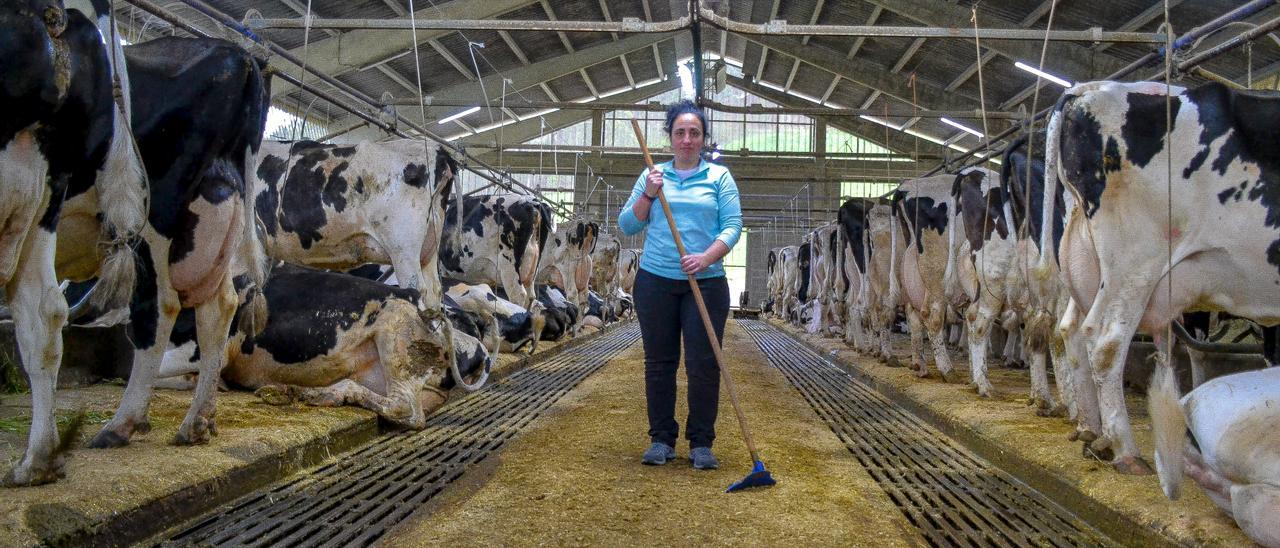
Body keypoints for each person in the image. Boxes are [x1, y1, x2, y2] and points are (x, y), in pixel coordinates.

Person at [617, 100, 742, 470]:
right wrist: (649, 194)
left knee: (704, 364)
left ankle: (701, 442)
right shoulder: (652, 175)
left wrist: (706, 257)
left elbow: (733, 227)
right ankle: (661, 439)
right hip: (656, 282)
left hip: (705, 283)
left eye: (695, 133)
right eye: (680, 132)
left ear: (703, 138)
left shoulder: (719, 177)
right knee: (659, 362)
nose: (687, 139)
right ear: (670, 137)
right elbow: (628, 225)